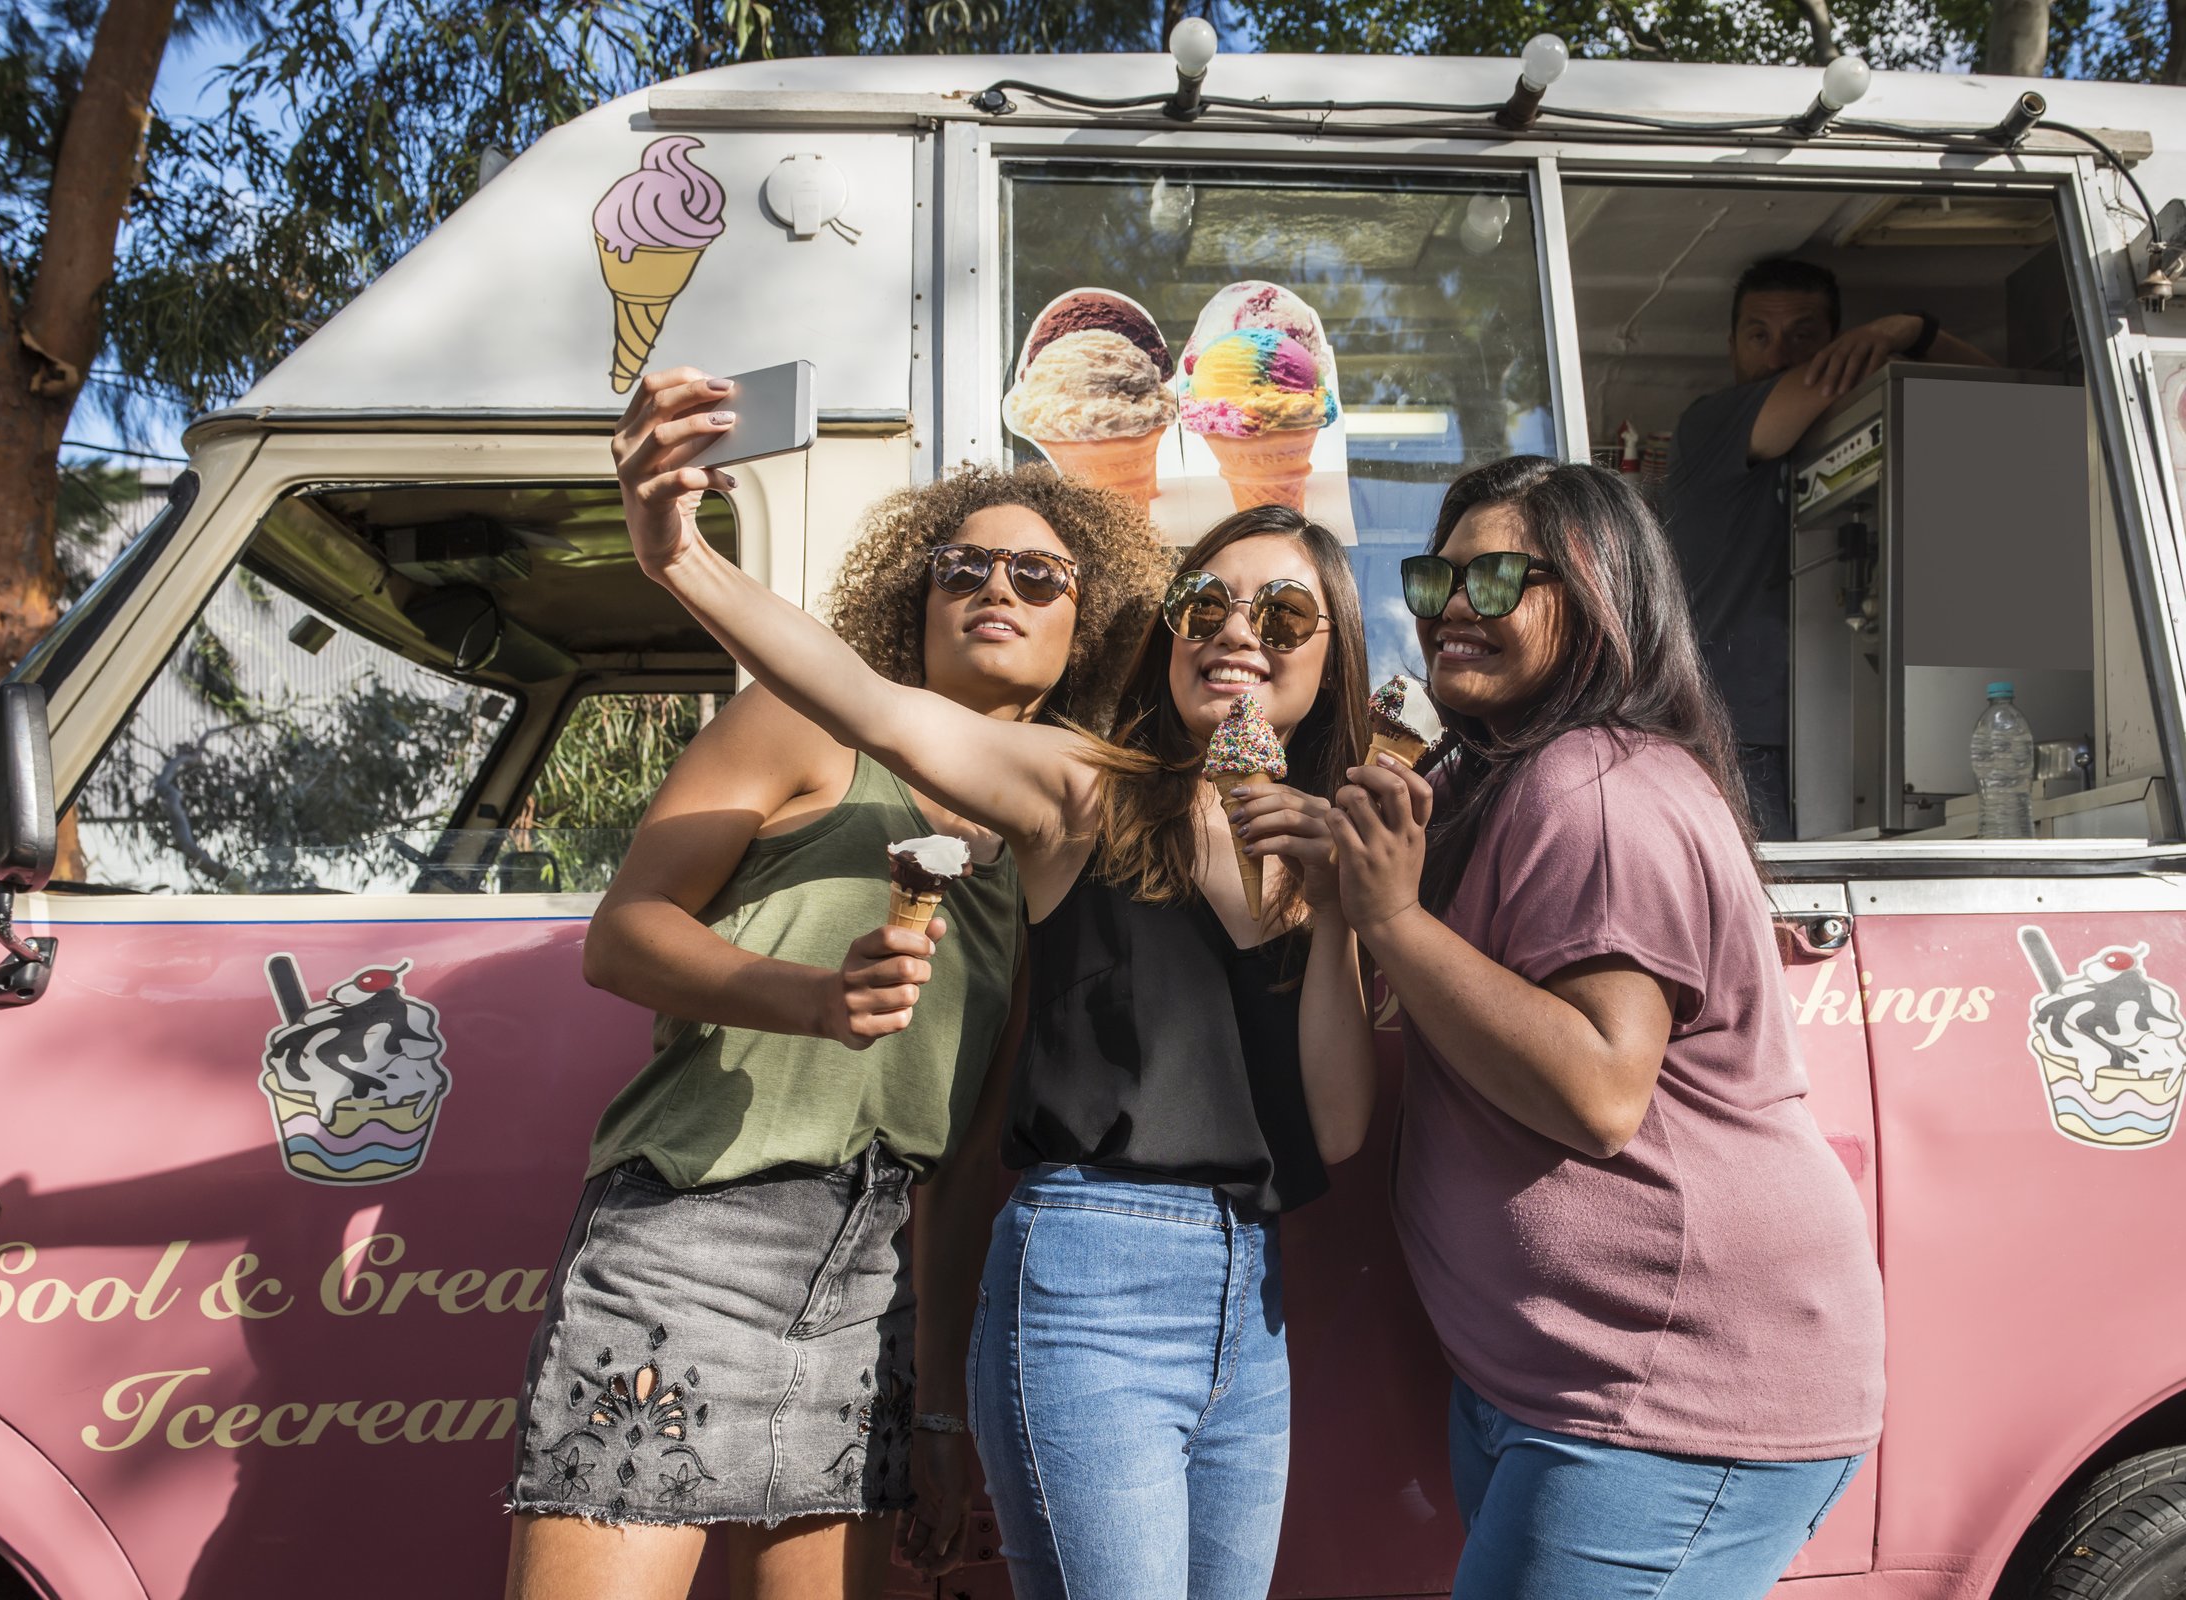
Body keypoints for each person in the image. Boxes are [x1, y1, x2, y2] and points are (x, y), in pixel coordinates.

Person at [611, 365, 1378, 1600]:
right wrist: (679, 558)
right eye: (1207, 604)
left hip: (1254, 1296)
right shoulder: (1087, 788)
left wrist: (1341, 906)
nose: (1237, 632)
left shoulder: (1319, 868)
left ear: (1324, 667)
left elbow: (1335, 1126)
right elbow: (874, 704)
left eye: (1283, 619)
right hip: (1094, 1271)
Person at [502, 462, 1171, 1600]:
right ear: (915, 600)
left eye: (1035, 572)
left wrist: (944, 1405)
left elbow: (962, 1167)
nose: (992, 586)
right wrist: (809, 997)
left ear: (1088, 624)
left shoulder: (1057, 851)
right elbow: (621, 935)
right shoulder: (803, 724)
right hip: (690, 1234)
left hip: (870, 1282)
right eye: (959, 566)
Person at [1328, 455, 1884, 1598]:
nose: (1450, 614)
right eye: (1437, 582)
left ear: (1597, 595)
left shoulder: (1594, 786)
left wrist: (1386, 913)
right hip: (1570, 1387)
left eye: (1495, 582)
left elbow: (1599, 1088)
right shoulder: (1516, 772)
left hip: (1666, 1399)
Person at [1662, 256, 1994, 836]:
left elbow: (2000, 395)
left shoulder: (1842, 434)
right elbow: (1819, 382)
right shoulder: (1711, 424)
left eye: (1803, 335)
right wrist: (1900, 332)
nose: (1777, 354)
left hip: (1842, 732)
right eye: (1758, 335)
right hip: (1737, 737)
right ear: (1731, 344)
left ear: (1834, 340)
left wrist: (1913, 332)